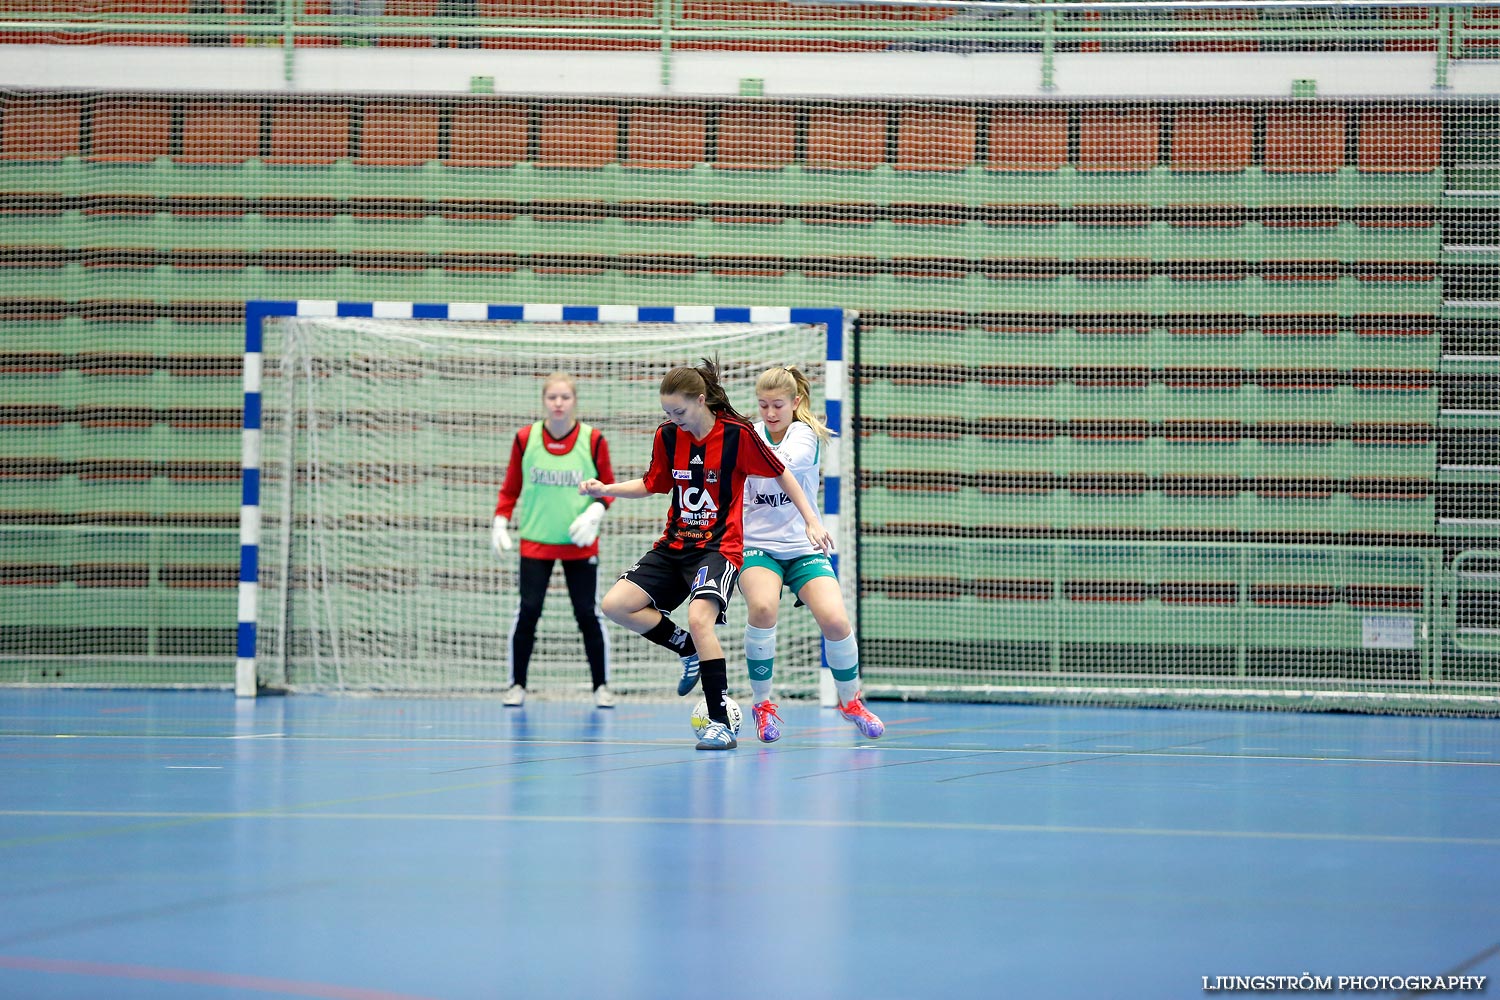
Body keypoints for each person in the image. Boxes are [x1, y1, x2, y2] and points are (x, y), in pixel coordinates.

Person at [579, 358, 832, 750]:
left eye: (679, 411)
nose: (673, 418)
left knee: (701, 618)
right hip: (674, 544)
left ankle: (722, 724)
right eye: (667, 412)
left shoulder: (738, 435)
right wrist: (606, 489)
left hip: (719, 547)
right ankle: (686, 648)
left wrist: (811, 520)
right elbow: (653, 484)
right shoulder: (667, 436)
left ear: (700, 400)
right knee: (615, 605)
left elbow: (781, 472)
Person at [738, 366, 884, 743]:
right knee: (764, 609)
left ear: (796, 402)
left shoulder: (806, 434)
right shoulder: (749, 433)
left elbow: (778, 467)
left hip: (804, 547)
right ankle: (762, 705)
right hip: (758, 544)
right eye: (763, 406)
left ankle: (851, 701)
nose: (770, 413)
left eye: (778, 405)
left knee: (835, 619)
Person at [492, 373, 615, 708]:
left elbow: (608, 489)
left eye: (565, 397)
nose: (559, 403)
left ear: (575, 401)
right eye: (552, 398)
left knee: (587, 613)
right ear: (544, 401)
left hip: (580, 544)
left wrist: (594, 514)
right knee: (528, 611)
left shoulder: (593, 440)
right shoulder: (524, 439)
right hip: (536, 542)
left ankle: (601, 686)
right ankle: (516, 684)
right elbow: (510, 487)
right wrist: (500, 522)